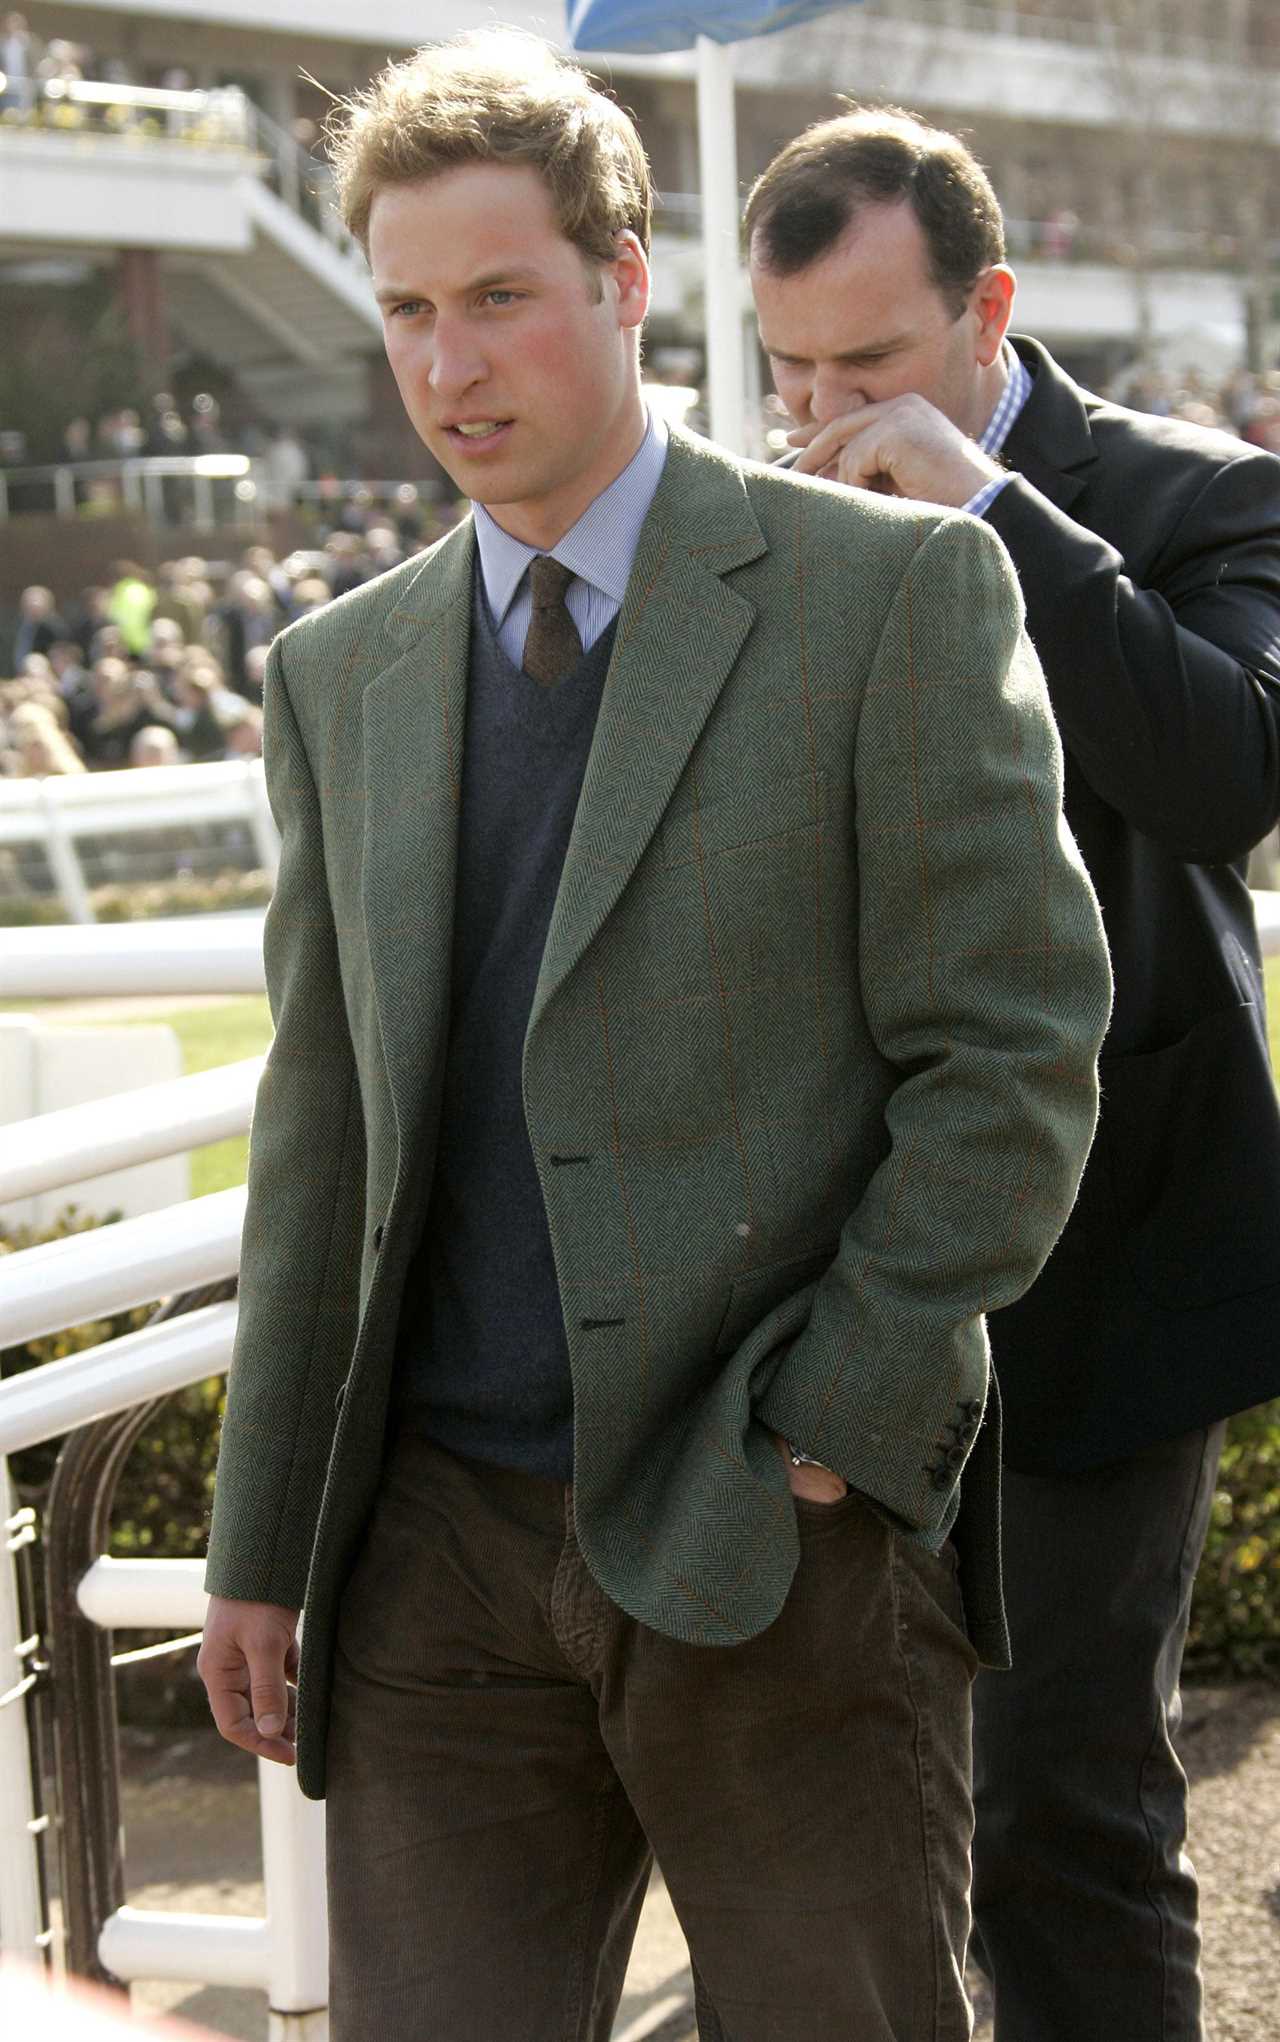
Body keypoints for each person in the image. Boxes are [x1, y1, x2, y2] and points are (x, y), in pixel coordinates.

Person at [197, 34, 1110, 2042]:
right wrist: (264, 1539)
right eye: (411, 311)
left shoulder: (891, 594)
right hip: (432, 1559)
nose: (450, 365)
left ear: (623, 280)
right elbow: (321, 1126)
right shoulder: (336, 673)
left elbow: (1016, 1050)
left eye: (499, 296)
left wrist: (834, 1433)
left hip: (777, 1544)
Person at [745, 105, 1280, 2042]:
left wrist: (982, 505)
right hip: (815, 1265)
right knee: (820, 1814)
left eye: (866, 363)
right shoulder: (752, 514)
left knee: (1062, 1805)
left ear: (992, 312)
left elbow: (1230, 771)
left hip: (1110, 1248)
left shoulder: (1184, 490)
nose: (817, 409)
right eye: (784, 366)